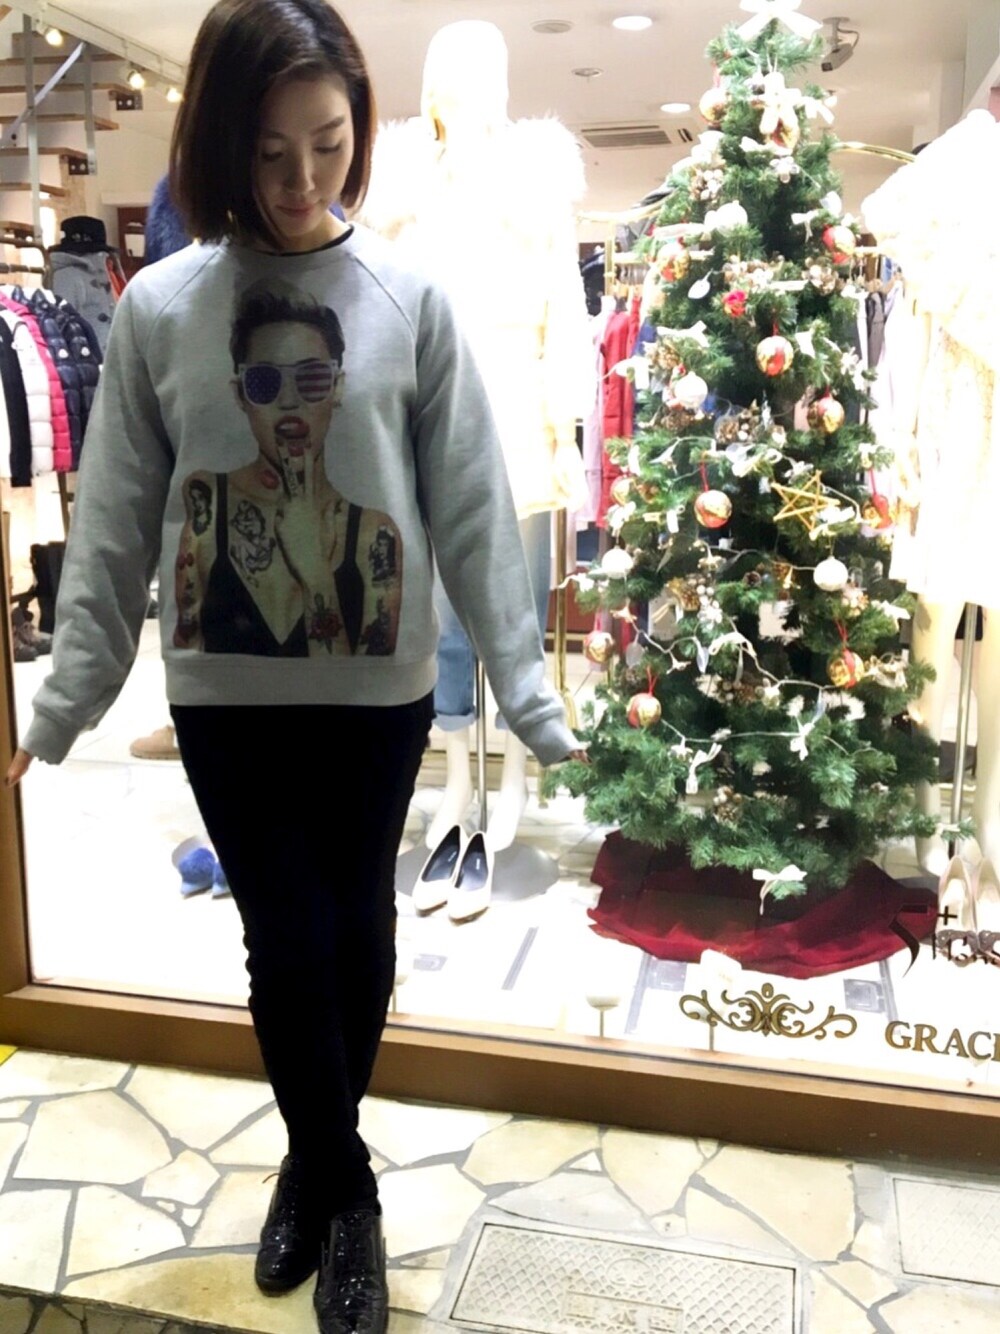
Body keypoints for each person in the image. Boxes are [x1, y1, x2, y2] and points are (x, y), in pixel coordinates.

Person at [4, 2, 584, 1331]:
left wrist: (530, 690)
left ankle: (311, 1160)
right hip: (228, 703)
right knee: (283, 941)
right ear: (221, 144)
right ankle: (349, 1189)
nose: (304, 178)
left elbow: (475, 509)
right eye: (270, 153)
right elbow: (113, 526)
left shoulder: (410, 300)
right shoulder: (159, 310)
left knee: (361, 934)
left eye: (328, 142)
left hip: (376, 699)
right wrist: (65, 699)